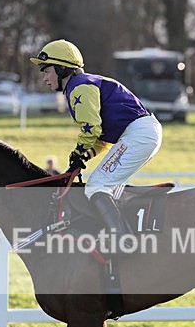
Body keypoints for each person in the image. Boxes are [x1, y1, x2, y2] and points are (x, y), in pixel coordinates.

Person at [29, 39, 162, 250]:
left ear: (62, 68)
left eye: (46, 70)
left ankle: (121, 240)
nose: (44, 78)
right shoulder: (80, 85)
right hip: (140, 133)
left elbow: (92, 128)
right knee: (105, 187)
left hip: (138, 134)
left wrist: (79, 151)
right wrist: (84, 155)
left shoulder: (79, 87)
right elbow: (101, 139)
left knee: (97, 185)